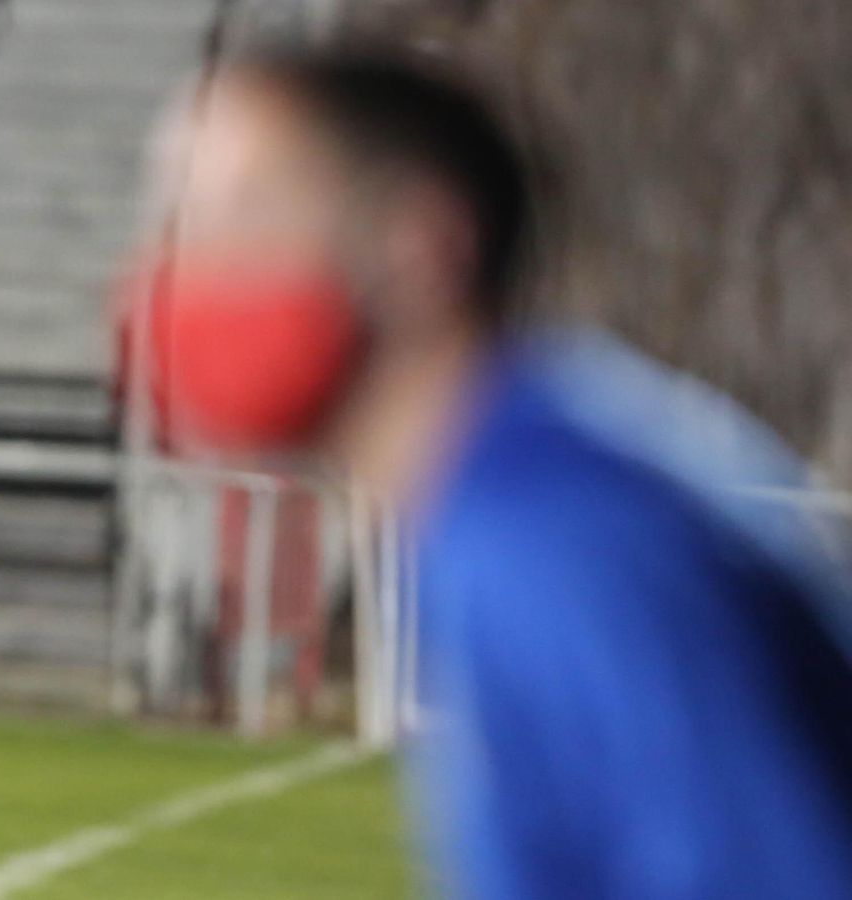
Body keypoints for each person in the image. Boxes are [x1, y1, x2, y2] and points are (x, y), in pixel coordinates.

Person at [142, 42, 852, 898]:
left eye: (241, 218)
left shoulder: (554, 541)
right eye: (175, 221)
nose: (182, 271)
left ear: (418, 248)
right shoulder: (526, 483)